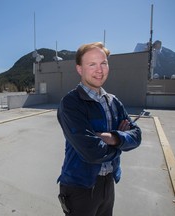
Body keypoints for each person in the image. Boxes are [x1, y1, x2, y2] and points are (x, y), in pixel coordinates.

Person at [57, 42, 142, 216]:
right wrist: (121, 144)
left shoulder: (113, 102)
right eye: (92, 64)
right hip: (79, 186)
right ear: (80, 69)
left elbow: (137, 135)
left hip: (108, 182)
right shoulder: (71, 103)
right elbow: (92, 152)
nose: (99, 70)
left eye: (103, 63)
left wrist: (113, 138)